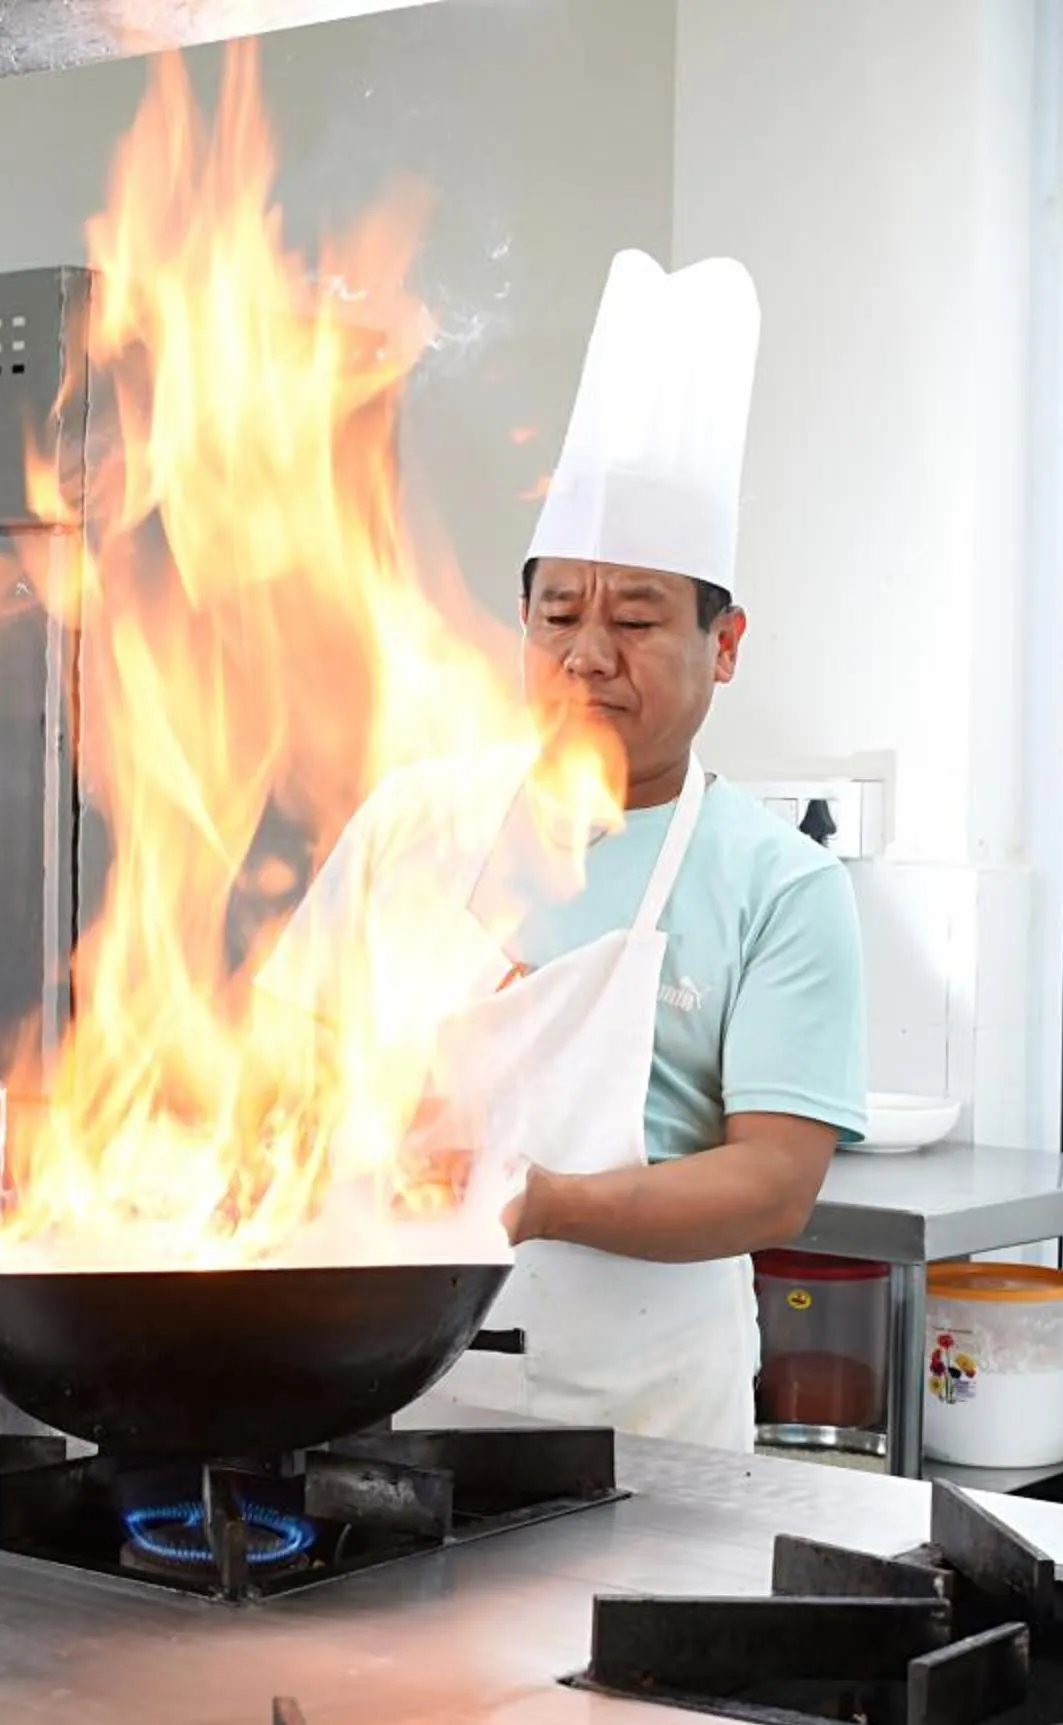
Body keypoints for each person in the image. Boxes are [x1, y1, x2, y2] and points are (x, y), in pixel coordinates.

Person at [276, 249, 867, 1451]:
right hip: (386, 1393)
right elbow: (289, 1063)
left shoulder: (779, 886)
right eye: (559, 616)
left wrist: (544, 1203)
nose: (589, 655)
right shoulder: (413, 821)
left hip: (643, 1425)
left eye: (639, 619)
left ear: (727, 642)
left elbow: (773, 1180)